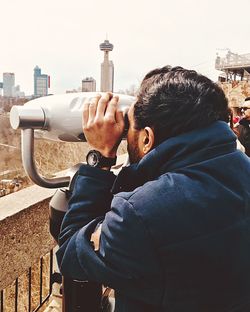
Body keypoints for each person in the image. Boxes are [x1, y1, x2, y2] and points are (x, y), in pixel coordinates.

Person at [56, 66, 250, 312]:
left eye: (131, 127)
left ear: (147, 138)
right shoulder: (242, 167)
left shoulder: (139, 215)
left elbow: (72, 254)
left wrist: (102, 157)